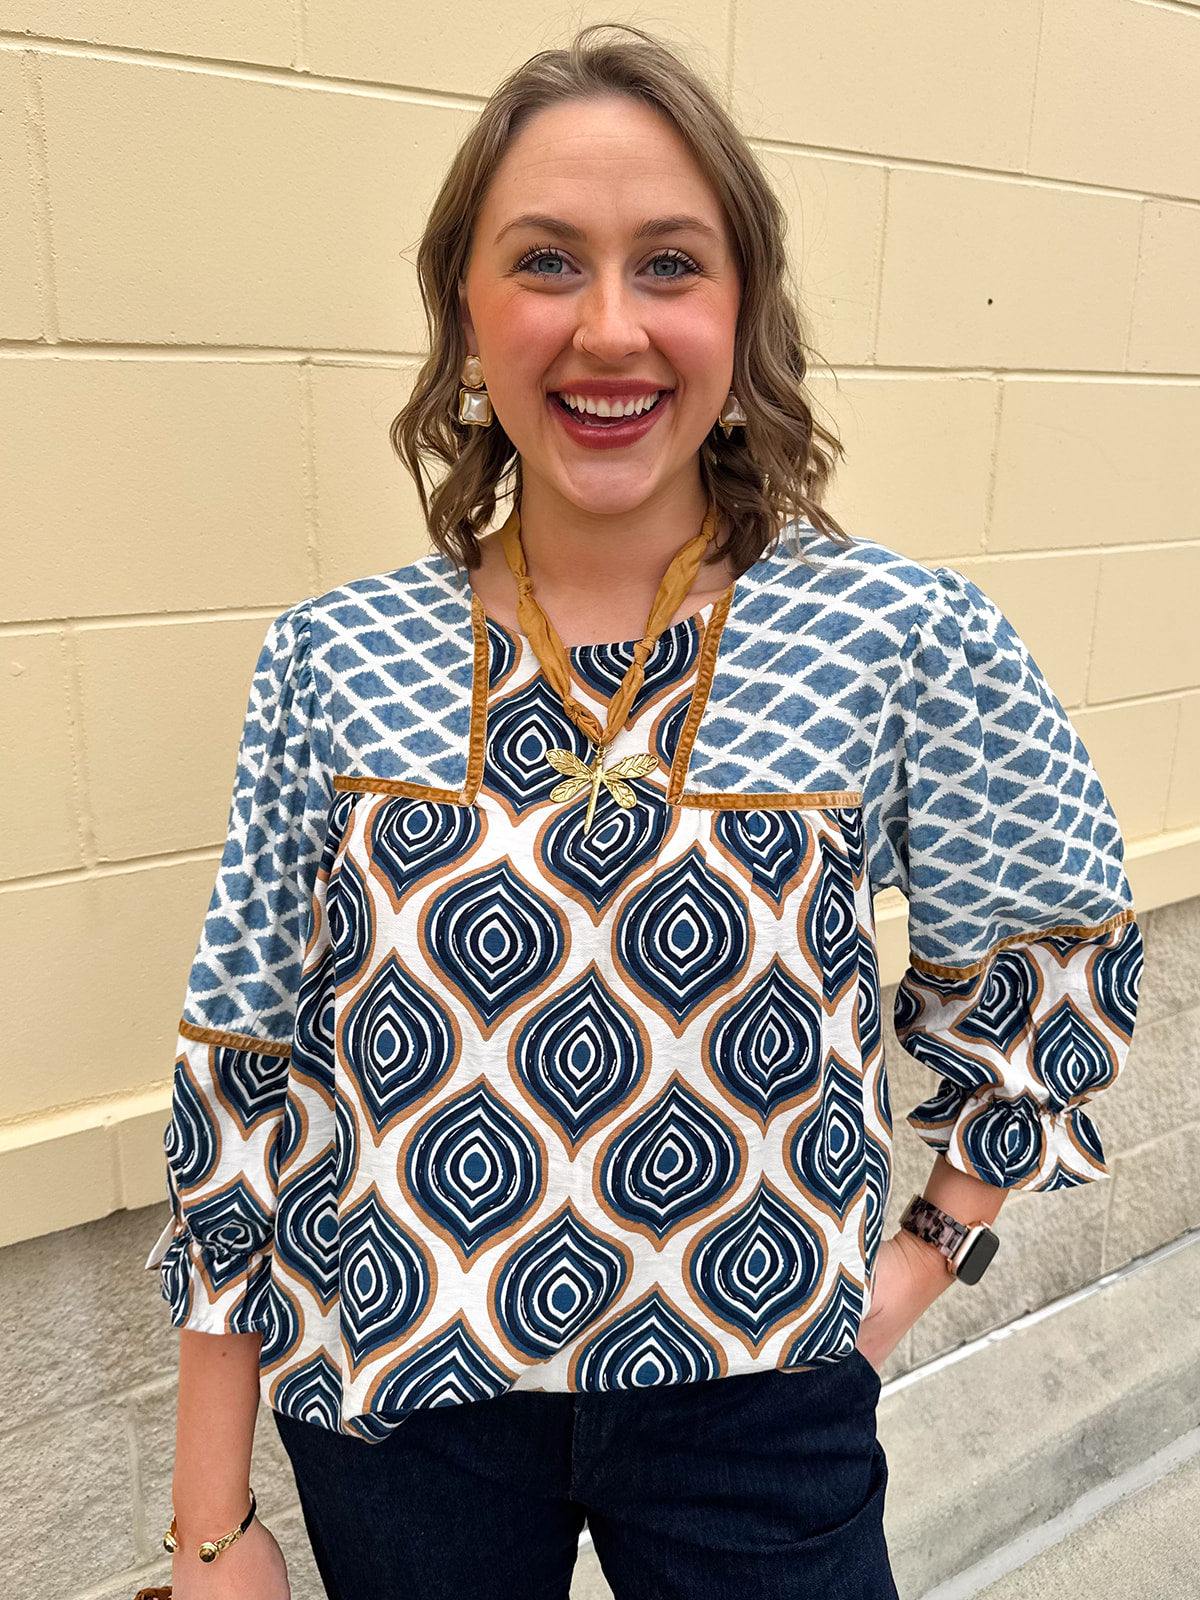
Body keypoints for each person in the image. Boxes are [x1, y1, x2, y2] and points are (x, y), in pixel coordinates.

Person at [146, 24, 1143, 1600]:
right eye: (547, 261)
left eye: (669, 264)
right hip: (407, 1416)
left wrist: (904, 1275)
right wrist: (212, 1517)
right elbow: (249, 1068)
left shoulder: (899, 637)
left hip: (763, 1420)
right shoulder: (330, 657)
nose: (609, 329)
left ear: (741, 313)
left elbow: (1046, 955)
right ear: (466, 312)